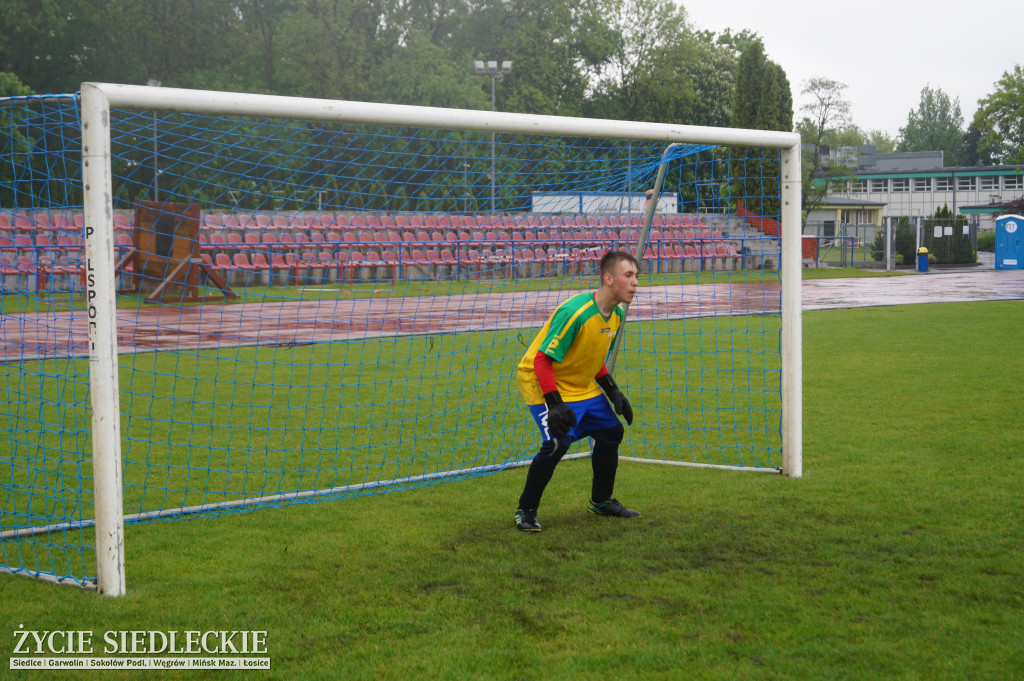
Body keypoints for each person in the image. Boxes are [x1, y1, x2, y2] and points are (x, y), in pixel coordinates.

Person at [513, 250, 642, 532]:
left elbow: (592, 360)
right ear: (608, 279)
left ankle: (601, 501)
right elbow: (542, 360)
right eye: (628, 275)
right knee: (558, 443)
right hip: (541, 379)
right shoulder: (575, 313)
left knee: (611, 432)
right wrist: (555, 404)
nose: (635, 283)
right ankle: (526, 511)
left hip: (578, 383)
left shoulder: (616, 314)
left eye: (636, 276)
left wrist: (614, 392)